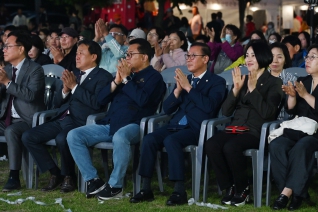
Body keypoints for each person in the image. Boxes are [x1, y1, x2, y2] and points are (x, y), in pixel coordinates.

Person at [67, 38, 166, 200]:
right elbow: (101, 99)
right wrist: (116, 81)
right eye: (126, 54)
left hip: (136, 125)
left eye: (131, 54)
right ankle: (94, 180)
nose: (126, 58)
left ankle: (115, 186)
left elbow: (143, 100)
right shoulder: (126, 75)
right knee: (74, 135)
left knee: (120, 136)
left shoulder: (154, 77)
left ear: (144, 57)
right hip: (110, 123)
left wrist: (126, 79)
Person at [130, 42, 226, 205]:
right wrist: (177, 91)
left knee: (171, 140)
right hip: (176, 125)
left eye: (192, 56)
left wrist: (189, 88)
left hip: (197, 128)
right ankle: (146, 188)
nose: (188, 59)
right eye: (187, 56)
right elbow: (167, 109)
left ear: (205, 59)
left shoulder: (216, 81)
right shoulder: (185, 79)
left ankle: (179, 191)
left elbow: (209, 107)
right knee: (149, 139)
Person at [22, 40, 113, 193]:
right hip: (62, 118)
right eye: (76, 53)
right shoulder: (74, 74)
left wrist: (74, 87)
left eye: (81, 53)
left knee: (62, 138)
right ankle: (54, 172)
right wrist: (64, 90)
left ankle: (69, 176)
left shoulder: (103, 77)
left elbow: (97, 104)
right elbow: (56, 103)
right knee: (28, 136)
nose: (77, 56)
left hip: (81, 121)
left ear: (93, 57)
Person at [204, 40, 283, 207]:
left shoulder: (274, 82)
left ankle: (243, 188)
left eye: (253, 55)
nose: (248, 59)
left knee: (231, 147)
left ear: (263, 56)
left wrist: (253, 90)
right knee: (211, 144)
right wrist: (235, 90)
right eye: (247, 55)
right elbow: (225, 112)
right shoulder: (243, 78)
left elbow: (268, 113)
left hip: (256, 130)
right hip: (235, 127)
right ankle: (229, 187)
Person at [269, 44, 318, 210]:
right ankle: (299, 194)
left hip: (315, 133)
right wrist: (292, 96)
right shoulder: (303, 81)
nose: (308, 60)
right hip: (299, 128)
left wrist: (305, 95)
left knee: (301, 147)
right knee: (276, 145)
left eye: (313, 57)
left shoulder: (304, 87)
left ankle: (286, 194)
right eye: (307, 56)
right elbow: (292, 110)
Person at [1, 30, 45, 191]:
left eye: (7, 46)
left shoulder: (35, 69)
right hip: (5, 117)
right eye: (4, 47)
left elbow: (31, 95)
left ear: (21, 49)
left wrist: (7, 82)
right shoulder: (6, 68)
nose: (4, 49)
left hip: (27, 119)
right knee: (9, 129)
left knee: (11, 131)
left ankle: (14, 176)